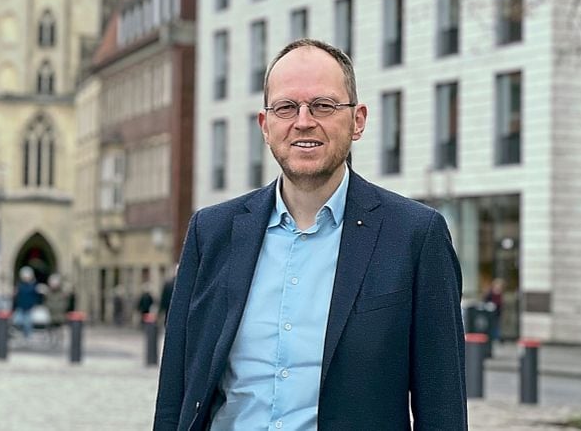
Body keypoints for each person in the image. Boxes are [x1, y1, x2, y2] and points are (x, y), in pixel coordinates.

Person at [154, 39, 467, 430]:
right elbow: (175, 394)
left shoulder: (416, 237)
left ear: (358, 121)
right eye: (286, 107)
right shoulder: (211, 233)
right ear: (266, 126)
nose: (303, 121)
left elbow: (443, 410)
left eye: (324, 105)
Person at [12, 266, 41, 341]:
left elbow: (37, 297)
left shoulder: (34, 286)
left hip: (29, 308)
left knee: (27, 323)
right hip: (21, 307)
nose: (26, 278)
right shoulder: (20, 285)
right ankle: (21, 335)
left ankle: (27, 336)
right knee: (17, 321)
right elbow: (17, 297)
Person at [44, 273, 71, 346]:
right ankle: (51, 340)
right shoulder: (48, 293)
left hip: (59, 314)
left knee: (59, 328)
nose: (53, 285)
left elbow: (64, 304)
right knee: (51, 328)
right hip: (51, 314)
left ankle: (59, 340)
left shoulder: (62, 293)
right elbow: (47, 302)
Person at [484, 277, 506, 342]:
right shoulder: (489, 293)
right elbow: (485, 302)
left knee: (497, 326)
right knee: (492, 326)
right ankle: (494, 338)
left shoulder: (500, 294)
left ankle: (497, 338)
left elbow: (500, 304)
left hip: (497, 313)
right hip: (490, 313)